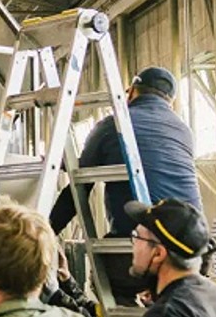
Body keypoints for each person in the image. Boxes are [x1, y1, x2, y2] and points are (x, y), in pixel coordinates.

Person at [49, 66, 202, 238]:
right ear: (170, 102)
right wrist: (65, 164)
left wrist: (45, 232)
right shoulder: (185, 132)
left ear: (131, 92)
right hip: (193, 239)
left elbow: (79, 186)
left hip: (142, 239)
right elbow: (151, 162)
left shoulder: (113, 125)